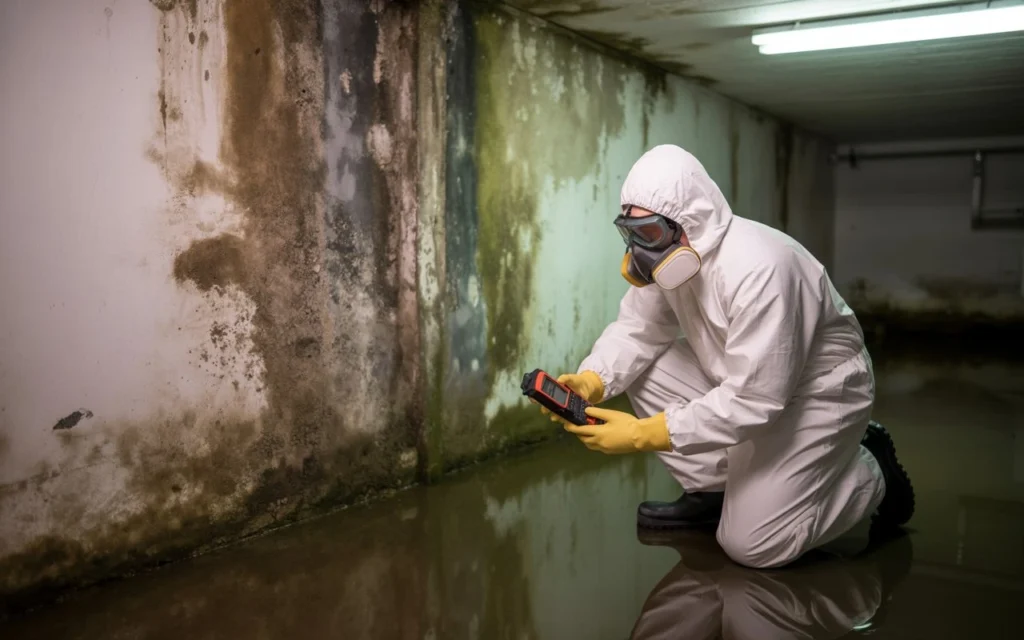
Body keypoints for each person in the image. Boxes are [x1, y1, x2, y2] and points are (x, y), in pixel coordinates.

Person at [539, 144, 915, 569]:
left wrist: (642, 433)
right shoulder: (676, 258)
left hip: (817, 396)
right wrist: (592, 380)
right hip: (744, 380)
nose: (639, 251)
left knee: (754, 545)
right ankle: (714, 494)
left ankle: (870, 471)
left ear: (689, 222)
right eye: (630, 234)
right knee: (645, 366)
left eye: (648, 235)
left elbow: (755, 401)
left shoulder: (762, 269)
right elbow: (637, 330)